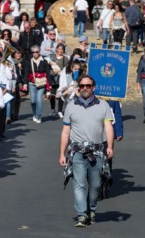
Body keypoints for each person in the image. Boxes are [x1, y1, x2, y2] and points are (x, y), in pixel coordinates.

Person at [59, 75, 114, 227]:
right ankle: (82, 214)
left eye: (88, 86)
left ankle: (92, 210)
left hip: (97, 151)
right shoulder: (71, 106)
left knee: (95, 184)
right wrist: (62, 154)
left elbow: (108, 127)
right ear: (78, 88)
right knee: (79, 183)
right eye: (82, 86)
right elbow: (65, 132)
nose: (84, 88)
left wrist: (109, 146)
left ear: (93, 88)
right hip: (77, 150)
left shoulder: (103, 105)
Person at [22, 45, 50, 123]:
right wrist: (25, 84)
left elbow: (48, 74)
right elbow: (26, 73)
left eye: (36, 52)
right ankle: (34, 113)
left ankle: (39, 116)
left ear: (39, 52)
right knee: (33, 101)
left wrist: (49, 86)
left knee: (38, 100)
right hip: (32, 83)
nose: (35, 54)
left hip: (42, 83)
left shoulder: (44, 61)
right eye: (33, 52)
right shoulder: (29, 61)